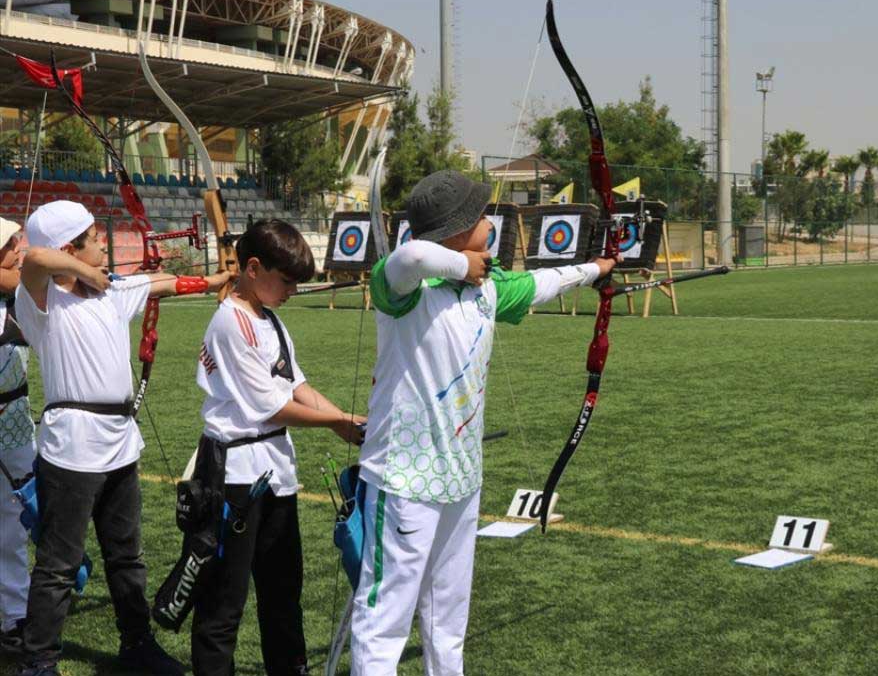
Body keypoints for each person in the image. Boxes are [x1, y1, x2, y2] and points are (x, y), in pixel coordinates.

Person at [350, 170, 616, 675]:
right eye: (479, 217)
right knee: (385, 618)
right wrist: (463, 265)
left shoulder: (486, 288)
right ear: (456, 230)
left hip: (461, 477)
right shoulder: (404, 289)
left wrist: (596, 269)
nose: (489, 223)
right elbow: (410, 255)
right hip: (404, 478)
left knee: (448, 618)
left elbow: (542, 283)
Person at [15, 200, 229, 676]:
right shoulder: (42, 304)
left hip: (119, 443)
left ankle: (137, 646)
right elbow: (35, 260)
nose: (103, 245)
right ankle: (39, 663)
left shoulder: (112, 293)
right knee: (57, 567)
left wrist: (217, 280)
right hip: (71, 448)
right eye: (93, 239)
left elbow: (167, 283)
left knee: (126, 557)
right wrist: (85, 273)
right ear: (71, 248)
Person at [188, 220, 366, 675]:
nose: (290, 290)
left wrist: (341, 422)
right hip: (234, 478)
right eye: (285, 280)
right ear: (252, 268)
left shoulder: (269, 318)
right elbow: (270, 408)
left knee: (283, 593)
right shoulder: (232, 322)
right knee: (223, 601)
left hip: (274, 474)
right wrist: (337, 421)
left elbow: (295, 382)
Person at [0, 218, 35, 655]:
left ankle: (15, 616)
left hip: (16, 426)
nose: (18, 249)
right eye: (10, 244)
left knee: (15, 523)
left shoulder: (18, 295)